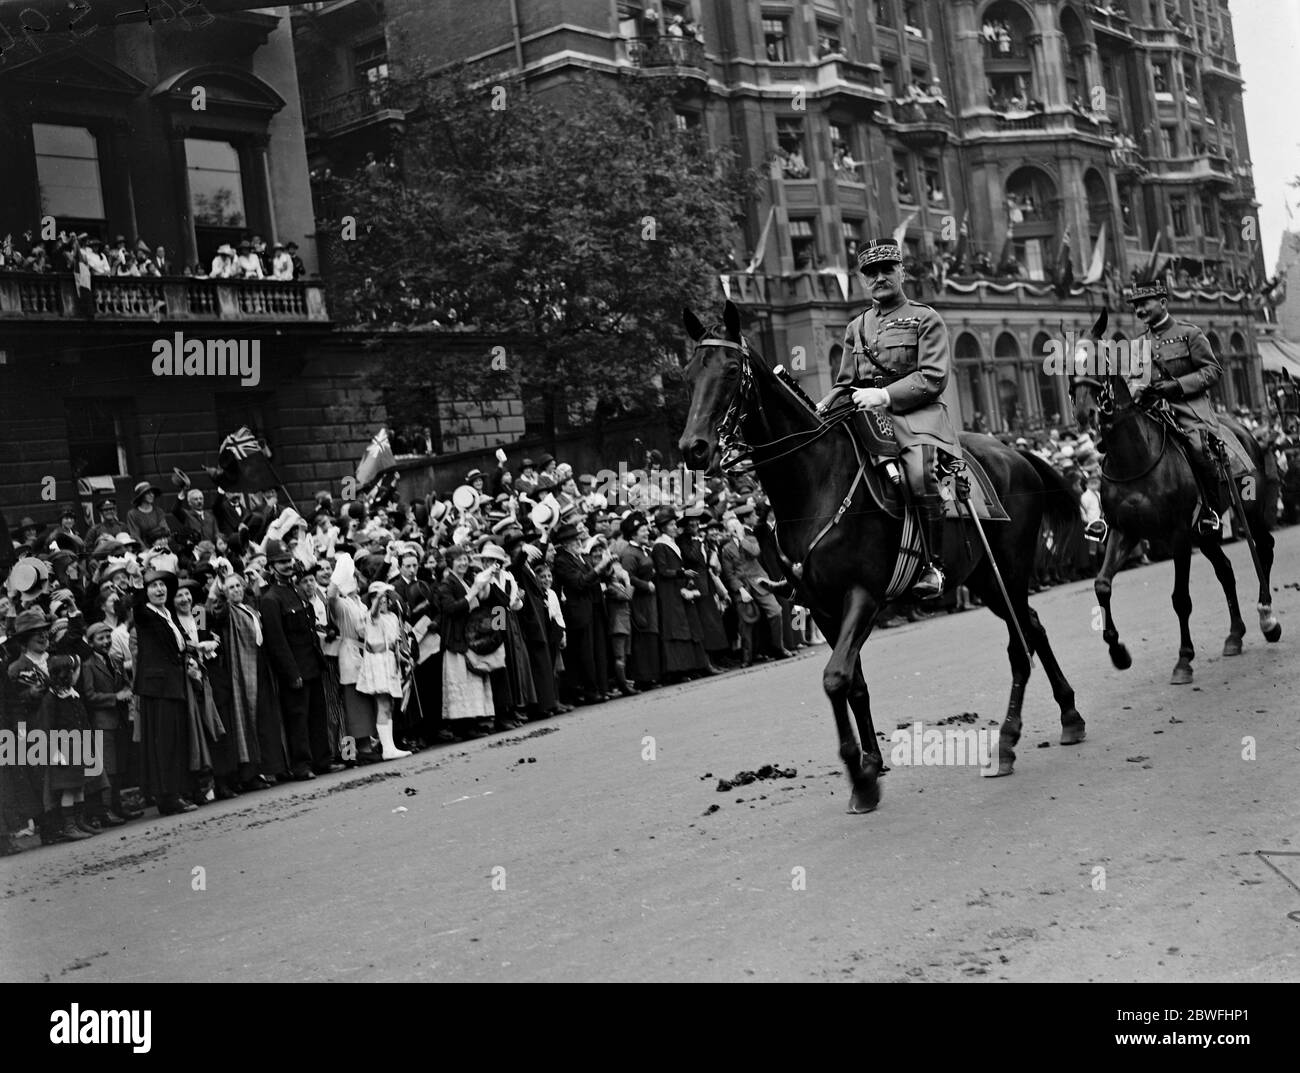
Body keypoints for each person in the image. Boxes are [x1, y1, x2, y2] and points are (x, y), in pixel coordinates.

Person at [816, 238, 962, 599]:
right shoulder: (856, 327)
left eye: (886, 270)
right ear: (864, 279)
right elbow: (844, 384)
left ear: (901, 271)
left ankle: (934, 566)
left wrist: (884, 395)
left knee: (918, 476)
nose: (879, 277)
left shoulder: (926, 318)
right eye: (871, 272)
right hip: (867, 418)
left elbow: (932, 377)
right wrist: (820, 408)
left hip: (918, 416)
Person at [1121, 277, 1256, 536]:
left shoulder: (1189, 333)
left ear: (1162, 302)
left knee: (1197, 447)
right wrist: (1135, 389)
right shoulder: (1137, 344)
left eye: (1144, 303)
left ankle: (1212, 511)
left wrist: (1177, 386)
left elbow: (1213, 370)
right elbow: (1133, 378)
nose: (1139, 311)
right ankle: (1110, 517)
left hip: (1189, 409)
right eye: (1136, 306)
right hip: (1152, 410)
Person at [259, 541, 340, 779]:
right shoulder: (271, 598)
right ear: (272, 566)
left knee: (318, 715)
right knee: (298, 718)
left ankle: (322, 760)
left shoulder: (294, 590)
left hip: (311, 663)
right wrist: (292, 673)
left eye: (288, 560)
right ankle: (302, 765)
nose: (287, 565)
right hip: (295, 669)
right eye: (281, 562)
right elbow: (277, 642)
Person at [130, 568, 197, 815]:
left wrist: (193, 651)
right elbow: (136, 606)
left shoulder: (167, 613)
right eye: (153, 586)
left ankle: (174, 793)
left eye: (162, 585)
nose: (159, 590)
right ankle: (167, 797)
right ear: (145, 592)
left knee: (174, 741)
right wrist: (137, 584)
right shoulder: (145, 613)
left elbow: (177, 645)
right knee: (164, 744)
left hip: (172, 684)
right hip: (158, 688)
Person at [356, 582, 411, 759]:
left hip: (390, 661)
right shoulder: (371, 616)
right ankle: (387, 748)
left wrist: (404, 660)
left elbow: (394, 644)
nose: (383, 602)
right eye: (379, 599)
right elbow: (373, 613)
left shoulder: (393, 618)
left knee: (390, 704)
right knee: (383, 704)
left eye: (385, 599)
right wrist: (378, 594)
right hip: (377, 662)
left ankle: (390, 746)